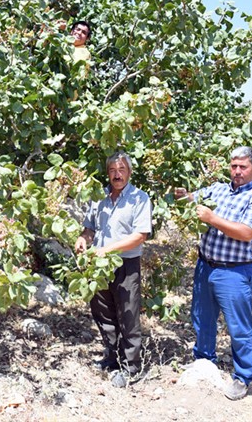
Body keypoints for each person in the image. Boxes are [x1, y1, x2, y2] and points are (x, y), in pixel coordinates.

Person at [175, 146, 252, 400]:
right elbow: (194, 199)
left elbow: (246, 233)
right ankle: (204, 361)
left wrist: (212, 218)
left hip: (234, 272)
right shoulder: (218, 189)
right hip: (205, 266)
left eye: (243, 167)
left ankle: (243, 377)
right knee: (202, 318)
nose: (237, 171)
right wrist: (184, 195)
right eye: (234, 166)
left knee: (239, 327)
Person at [74, 151, 152, 387]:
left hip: (125, 264)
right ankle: (113, 358)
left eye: (121, 170)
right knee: (103, 313)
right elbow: (90, 228)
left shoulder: (140, 198)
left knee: (128, 315)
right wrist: (83, 238)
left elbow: (140, 236)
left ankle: (132, 367)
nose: (117, 175)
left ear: (129, 172)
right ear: (107, 173)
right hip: (99, 266)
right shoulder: (99, 198)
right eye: (112, 171)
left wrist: (107, 251)